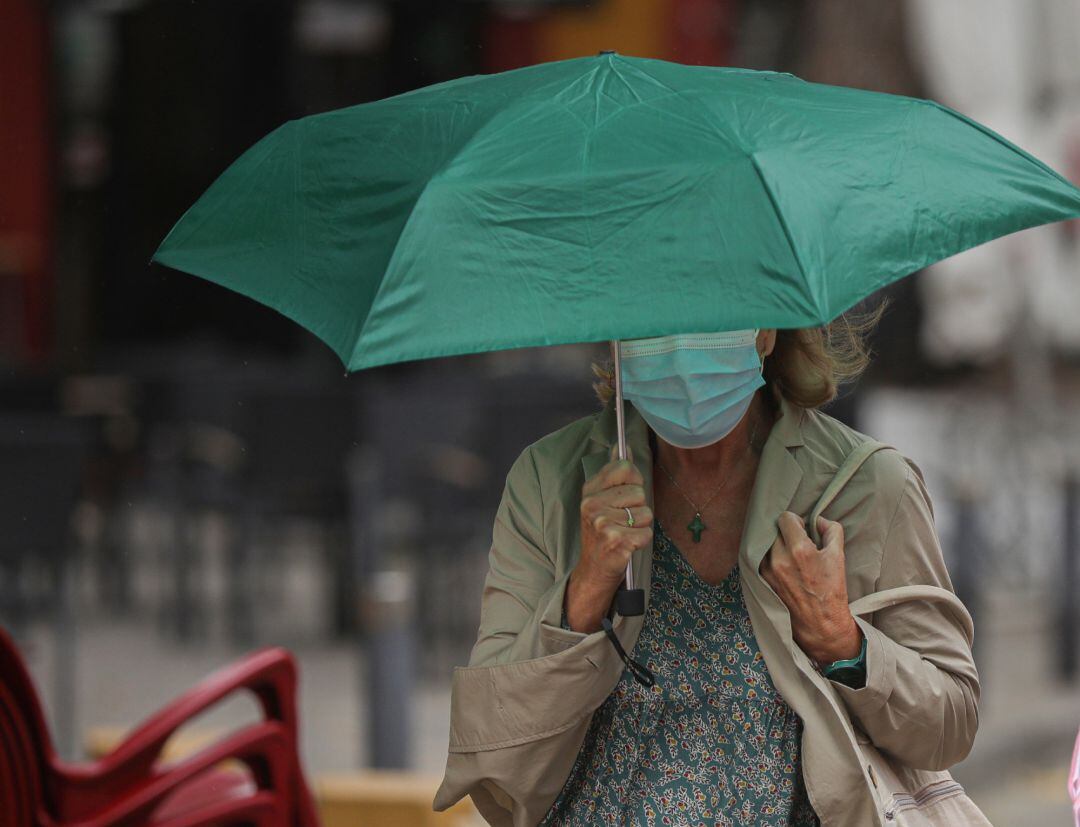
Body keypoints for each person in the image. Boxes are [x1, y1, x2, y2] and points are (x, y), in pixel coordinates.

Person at [433, 311, 986, 827]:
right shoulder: (547, 482)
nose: (679, 346)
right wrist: (584, 592)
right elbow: (496, 765)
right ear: (616, 338)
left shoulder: (868, 486)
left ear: (766, 331)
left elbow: (949, 726)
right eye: (654, 318)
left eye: (710, 313)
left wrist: (843, 641)